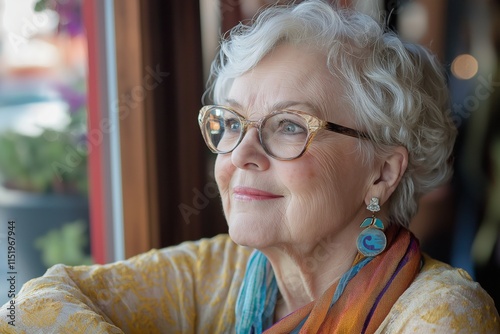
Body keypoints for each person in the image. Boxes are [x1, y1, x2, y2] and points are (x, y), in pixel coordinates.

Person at [1, 1, 499, 332]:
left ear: (383, 173)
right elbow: (29, 308)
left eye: (288, 126)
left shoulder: (445, 314)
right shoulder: (222, 272)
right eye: (232, 122)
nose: (239, 153)